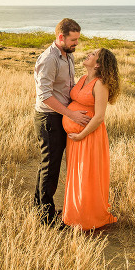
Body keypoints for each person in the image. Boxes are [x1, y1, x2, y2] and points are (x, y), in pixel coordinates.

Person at [33, 18, 90, 227]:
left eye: (77, 39)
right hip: (49, 118)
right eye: (73, 40)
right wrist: (72, 114)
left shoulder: (68, 56)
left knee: (48, 165)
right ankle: (46, 218)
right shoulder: (49, 59)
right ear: (61, 37)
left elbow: (68, 87)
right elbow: (45, 95)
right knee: (50, 167)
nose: (77, 44)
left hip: (61, 116)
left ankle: (40, 208)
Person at [62, 48, 120, 230]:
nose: (88, 53)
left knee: (86, 176)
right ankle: (75, 215)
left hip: (88, 137)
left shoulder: (100, 84)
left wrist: (81, 134)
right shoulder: (82, 79)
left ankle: (87, 219)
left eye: (93, 53)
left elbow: (99, 116)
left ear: (98, 64)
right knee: (76, 174)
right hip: (75, 138)